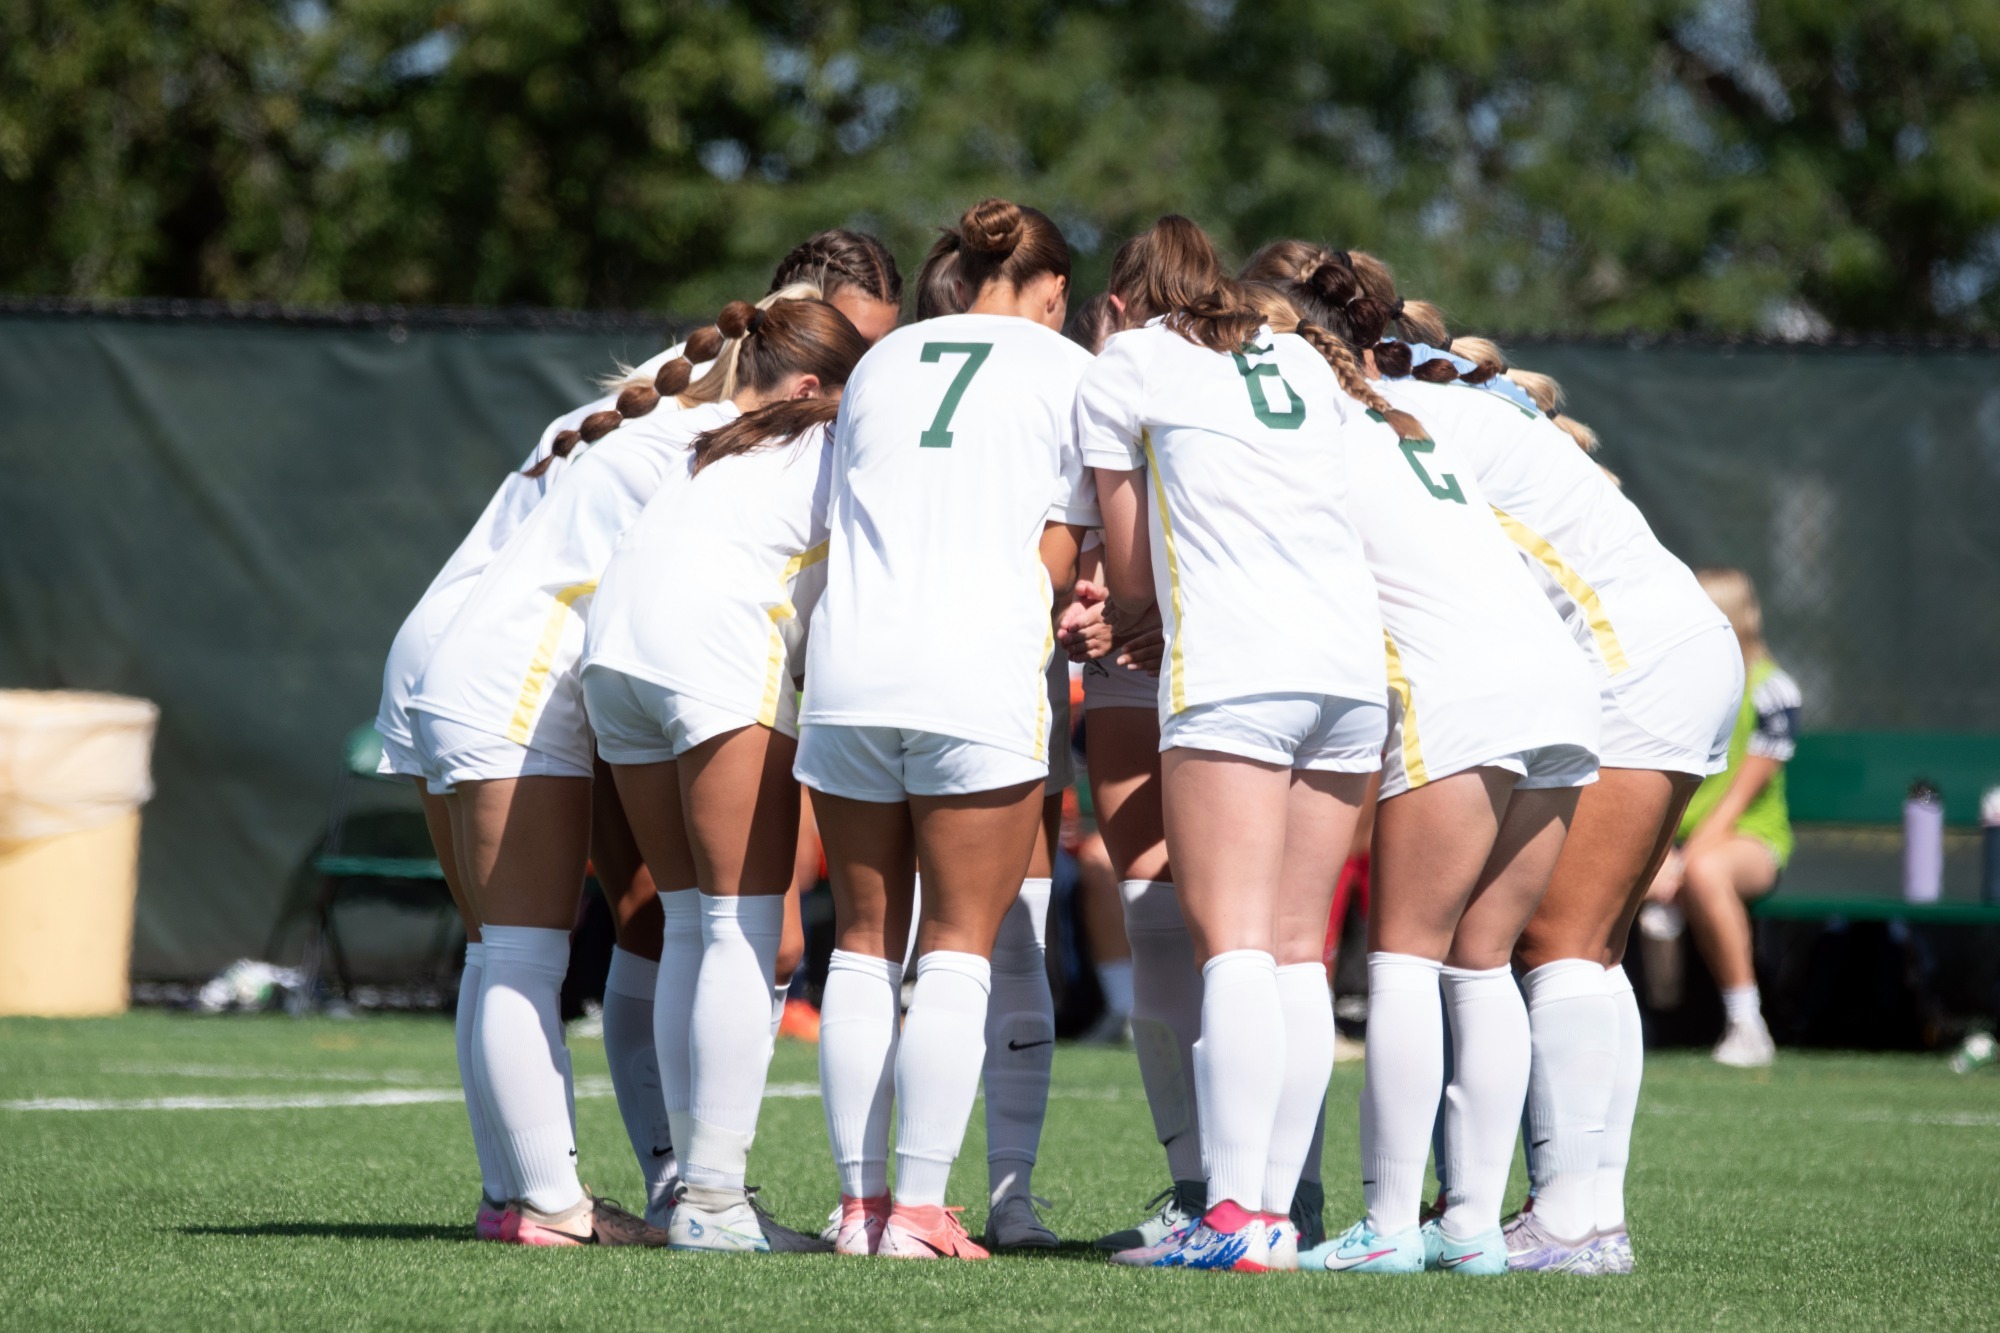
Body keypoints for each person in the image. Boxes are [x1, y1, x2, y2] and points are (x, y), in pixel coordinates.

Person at [375, 229, 901, 1236]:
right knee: (563, 946)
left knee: (561, 942)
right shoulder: (710, 435)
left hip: (473, 657)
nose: (861, 386)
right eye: (847, 355)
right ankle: (602, 1200)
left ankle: (543, 1195)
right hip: (527, 671)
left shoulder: (660, 414)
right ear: (797, 356)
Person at [1274, 261, 1602, 1278]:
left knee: (1407, 957)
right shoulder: (1416, 418)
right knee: (1479, 960)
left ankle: (1383, 1223)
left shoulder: (1307, 426)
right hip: (1557, 686)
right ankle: (1465, 1222)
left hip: (1455, 688)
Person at [1072, 235, 1387, 1273]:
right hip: (1346, 669)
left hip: (1235, 669)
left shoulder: (1130, 362)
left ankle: (1232, 1219)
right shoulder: (1299, 357)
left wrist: (1131, 619)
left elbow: (1125, 561)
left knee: (1236, 947)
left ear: (1124, 304)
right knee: (1298, 948)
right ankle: (1276, 1219)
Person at [798, 196, 1096, 1262]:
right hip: (972, 674)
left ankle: (856, 1207)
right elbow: (1060, 551)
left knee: (863, 947)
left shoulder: (886, 360)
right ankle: (920, 1213)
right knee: (960, 946)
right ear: (1053, 290)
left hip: (849, 664)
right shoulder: (1069, 373)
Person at [581, 299, 868, 1252]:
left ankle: (687, 1194)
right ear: (818, 389)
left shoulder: (706, 438)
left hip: (614, 652)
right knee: (740, 925)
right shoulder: (826, 448)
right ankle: (712, 1201)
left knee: (691, 924)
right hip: (709, 649)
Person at [1647, 568, 1796, 1070]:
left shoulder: (1773, 691)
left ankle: (1746, 1024)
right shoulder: (1670, 683)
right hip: (1673, 842)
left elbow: (1736, 801)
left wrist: (1681, 861)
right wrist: (1657, 853)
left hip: (1748, 840)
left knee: (1707, 874)